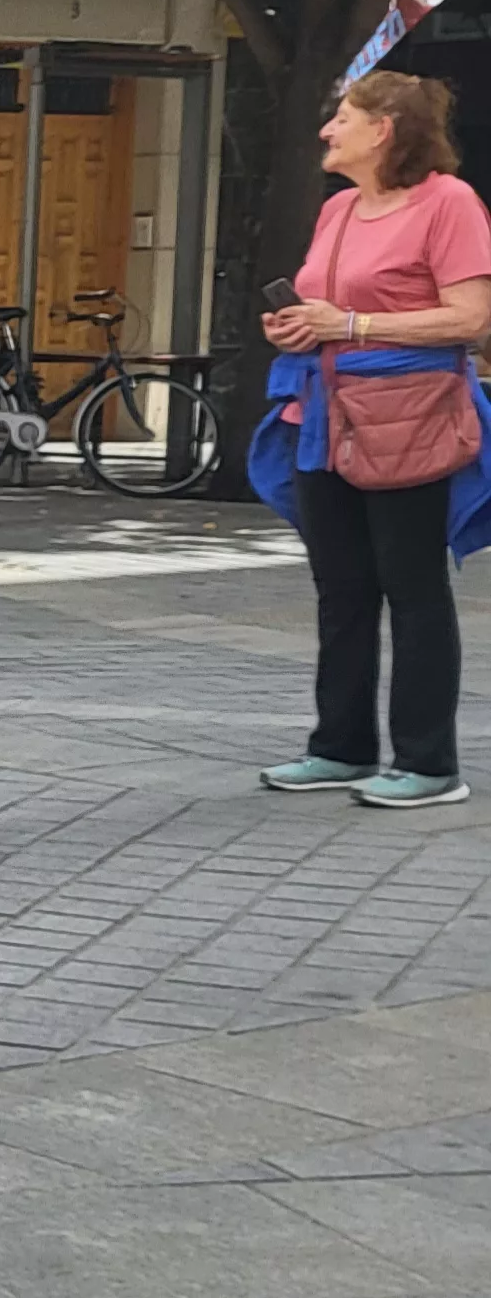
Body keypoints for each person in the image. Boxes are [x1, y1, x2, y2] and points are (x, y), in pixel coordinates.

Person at [254, 70, 491, 810]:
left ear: (384, 129)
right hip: (322, 418)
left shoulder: (449, 204)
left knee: (413, 588)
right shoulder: (338, 211)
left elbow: (471, 319)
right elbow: (327, 308)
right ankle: (341, 748)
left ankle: (429, 764)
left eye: (343, 118)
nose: (328, 130)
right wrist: (299, 326)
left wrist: (348, 326)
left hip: (408, 419)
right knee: (343, 588)